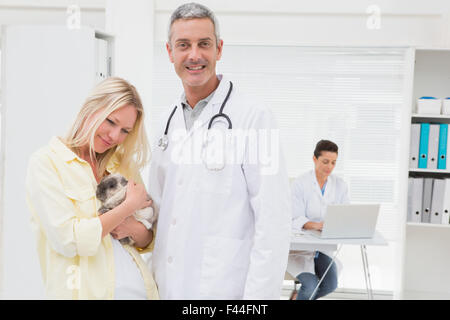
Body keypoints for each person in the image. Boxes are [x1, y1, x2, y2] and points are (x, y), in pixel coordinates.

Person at [148, 3, 292, 299]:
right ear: (169, 52)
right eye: (183, 45)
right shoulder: (164, 122)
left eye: (204, 44)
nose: (194, 55)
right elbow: (160, 212)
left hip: (225, 289)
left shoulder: (254, 117)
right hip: (167, 286)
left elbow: (273, 221)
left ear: (219, 49)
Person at [25, 77, 159, 300]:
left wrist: (131, 227)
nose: (115, 136)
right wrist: (127, 208)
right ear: (91, 108)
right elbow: (69, 241)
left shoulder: (123, 165)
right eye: (111, 122)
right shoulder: (47, 163)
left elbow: (147, 240)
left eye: (125, 131)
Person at [287, 140, 349, 300]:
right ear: (315, 159)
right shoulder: (300, 184)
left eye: (334, 162)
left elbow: (345, 213)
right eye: (325, 161)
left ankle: (298, 297)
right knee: (311, 286)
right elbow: (293, 218)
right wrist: (316, 225)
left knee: (330, 284)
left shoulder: (340, 185)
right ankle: (301, 296)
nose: (330, 166)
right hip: (299, 249)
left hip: (321, 248)